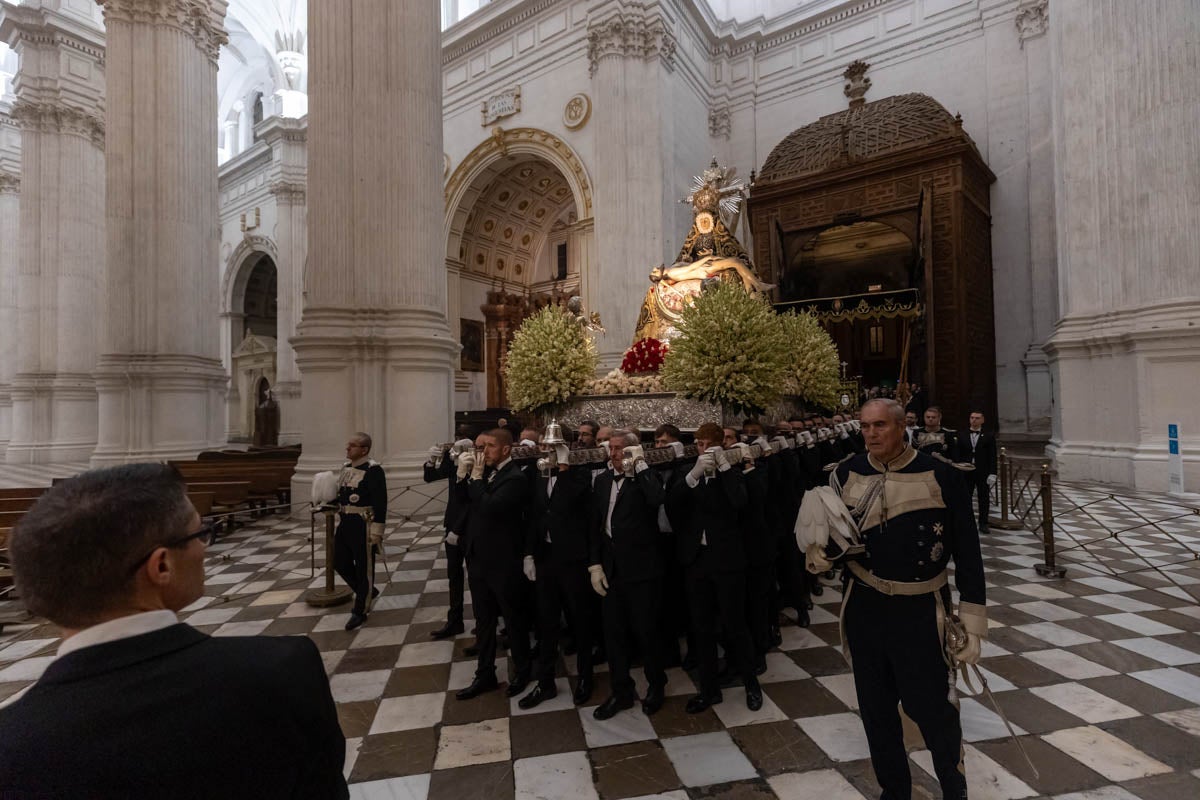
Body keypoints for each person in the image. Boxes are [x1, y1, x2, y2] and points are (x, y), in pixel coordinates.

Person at [0, 464, 348, 798]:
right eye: (199, 534)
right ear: (161, 565)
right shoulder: (281, 672)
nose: (203, 549)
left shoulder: (12, 741)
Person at [806, 398, 985, 800]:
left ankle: (954, 790)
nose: (871, 434)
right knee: (877, 711)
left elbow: (969, 553)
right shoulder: (846, 473)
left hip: (921, 611)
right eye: (865, 426)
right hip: (866, 610)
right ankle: (895, 792)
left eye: (880, 426)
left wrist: (972, 621)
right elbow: (835, 541)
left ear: (902, 426)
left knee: (934, 711)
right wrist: (818, 555)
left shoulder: (941, 475)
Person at [669, 423, 763, 713]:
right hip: (697, 559)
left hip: (727, 559)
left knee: (735, 624)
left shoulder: (730, 473)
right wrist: (694, 474)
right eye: (699, 444)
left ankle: (751, 684)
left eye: (709, 445)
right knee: (702, 628)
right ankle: (709, 690)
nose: (703, 450)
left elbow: (740, 501)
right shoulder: (689, 471)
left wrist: (723, 466)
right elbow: (672, 502)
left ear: (720, 445)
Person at [589, 430, 669, 719]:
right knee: (614, 635)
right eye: (611, 449)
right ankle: (621, 691)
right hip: (611, 570)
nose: (614, 454)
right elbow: (595, 527)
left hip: (642, 569)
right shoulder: (601, 481)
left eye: (620, 449)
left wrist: (641, 466)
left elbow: (657, 498)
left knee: (647, 632)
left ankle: (656, 684)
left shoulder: (647, 479)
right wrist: (594, 564)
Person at [456, 429, 534, 700]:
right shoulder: (487, 472)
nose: (484, 451)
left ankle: (523, 671)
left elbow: (490, 506)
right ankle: (485, 673)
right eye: (483, 446)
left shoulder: (515, 478)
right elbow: (467, 504)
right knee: (484, 619)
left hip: (503, 561)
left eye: (490, 446)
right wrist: (462, 477)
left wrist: (475, 479)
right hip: (479, 557)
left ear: (505, 450)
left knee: (513, 620)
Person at [519, 439, 596, 708]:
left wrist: (565, 466)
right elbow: (536, 515)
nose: (546, 449)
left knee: (580, 620)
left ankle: (586, 677)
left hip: (574, 559)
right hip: (546, 557)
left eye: (553, 444)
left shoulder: (580, 475)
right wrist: (529, 552)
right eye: (544, 444)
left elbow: (569, 500)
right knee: (546, 622)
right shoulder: (541, 474)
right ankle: (546, 682)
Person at [424, 428, 474, 640]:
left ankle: (485, 623)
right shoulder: (453, 458)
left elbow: (472, 500)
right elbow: (431, 477)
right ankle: (455, 621)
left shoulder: (477, 461)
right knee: (454, 575)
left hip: (471, 526)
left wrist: (459, 529)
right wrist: (431, 460)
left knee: (477, 579)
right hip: (452, 522)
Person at [335, 432, 387, 631]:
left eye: (353, 446)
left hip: (363, 523)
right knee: (339, 561)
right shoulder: (346, 468)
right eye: (348, 445)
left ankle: (360, 610)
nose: (348, 449)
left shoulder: (374, 470)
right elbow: (342, 495)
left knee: (364, 568)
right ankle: (366, 590)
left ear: (364, 449)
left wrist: (377, 531)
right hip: (345, 522)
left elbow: (380, 502)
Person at [959, 410, 997, 533]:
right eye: (972, 418)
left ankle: (983, 523)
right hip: (966, 470)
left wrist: (993, 473)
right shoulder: (962, 434)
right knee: (965, 497)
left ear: (982, 420)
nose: (974, 420)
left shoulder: (989, 435)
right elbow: (958, 454)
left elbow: (992, 455)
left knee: (984, 498)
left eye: (977, 418)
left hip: (982, 471)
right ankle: (966, 522)